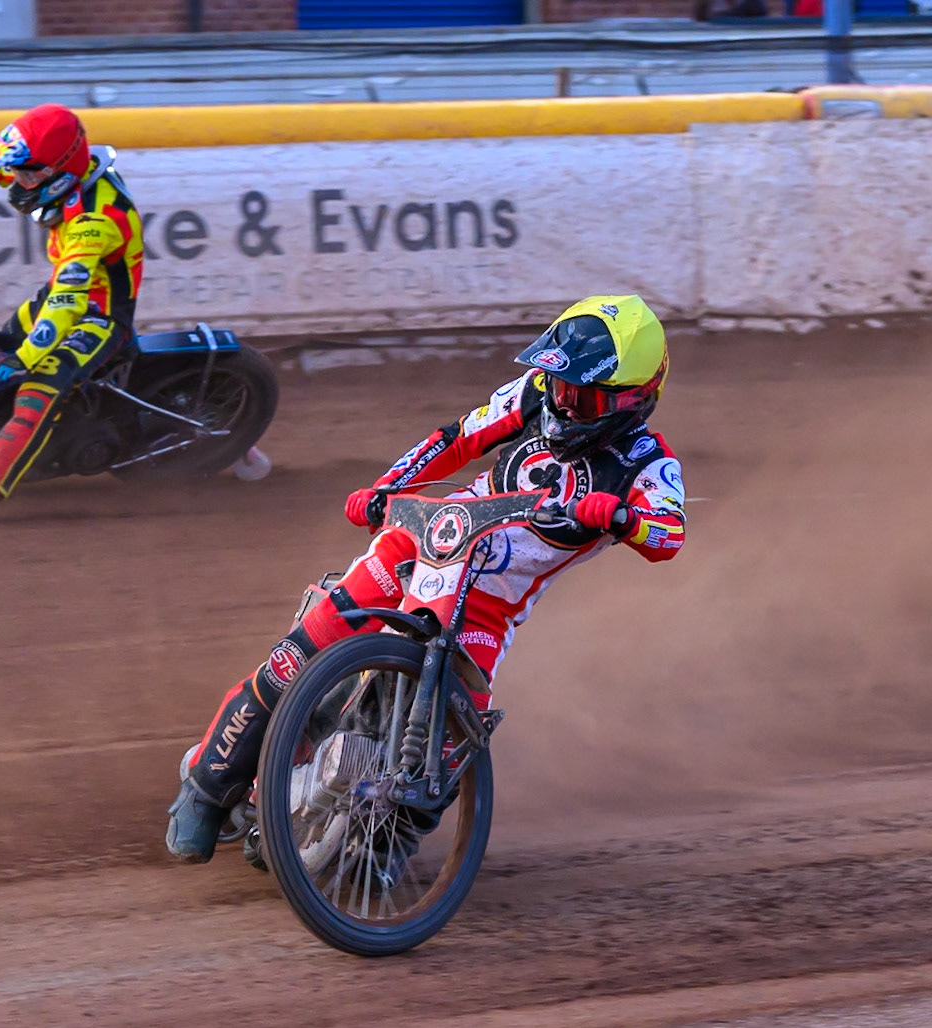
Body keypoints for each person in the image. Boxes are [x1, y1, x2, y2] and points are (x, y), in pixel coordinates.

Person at [165, 295, 688, 864]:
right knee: (303, 648)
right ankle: (206, 784)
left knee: (454, 736)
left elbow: (669, 534)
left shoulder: (648, 462)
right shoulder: (534, 394)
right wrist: (387, 488)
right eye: (557, 384)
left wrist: (619, 516)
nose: (561, 400)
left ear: (632, 399)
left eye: (581, 396)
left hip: (494, 598)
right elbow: (456, 439)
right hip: (434, 534)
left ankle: (384, 850)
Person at [0, 103, 145, 523]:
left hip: (99, 315)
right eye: (22, 171)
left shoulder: (94, 220)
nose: (18, 181)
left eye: (29, 174)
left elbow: (68, 300)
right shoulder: (53, 166)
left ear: (59, 172)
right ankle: (1, 433)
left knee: (36, 381)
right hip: (61, 292)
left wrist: (24, 361)